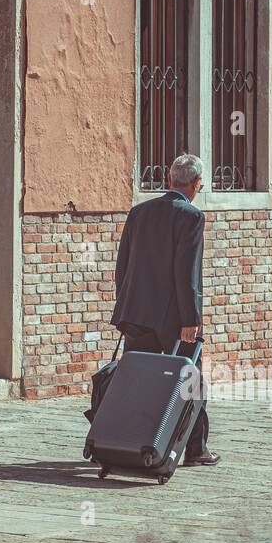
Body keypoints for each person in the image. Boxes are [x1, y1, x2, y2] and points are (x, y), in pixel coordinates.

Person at [110, 153, 218, 467]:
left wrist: (125, 309)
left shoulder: (139, 212)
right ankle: (196, 450)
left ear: (168, 180)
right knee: (190, 381)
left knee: (137, 382)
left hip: (137, 315)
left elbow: (123, 267)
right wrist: (190, 319)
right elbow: (188, 274)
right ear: (196, 184)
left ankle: (128, 441)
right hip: (174, 320)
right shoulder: (191, 217)